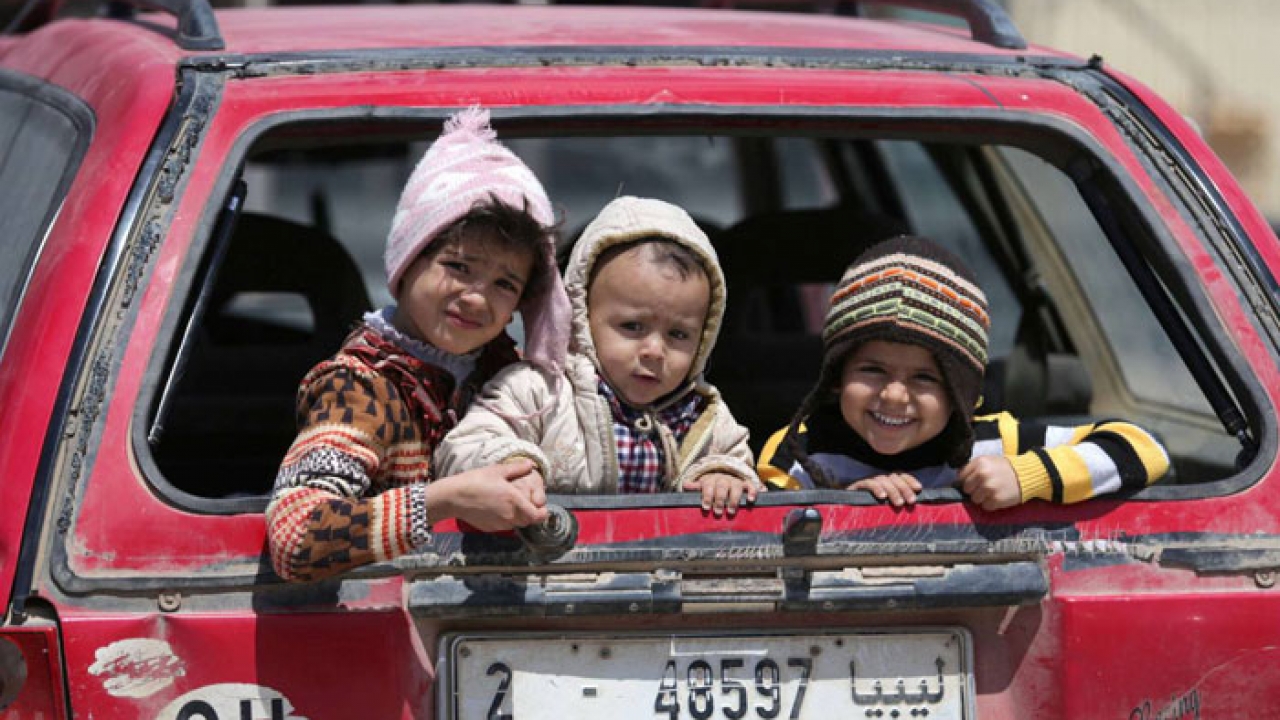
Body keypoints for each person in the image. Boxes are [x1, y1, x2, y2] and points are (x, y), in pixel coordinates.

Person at [265, 107, 571, 582]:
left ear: (520, 305)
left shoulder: (515, 379)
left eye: (505, 284)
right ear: (407, 263)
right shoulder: (361, 386)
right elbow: (296, 537)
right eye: (458, 267)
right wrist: (446, 499)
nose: (476, 298)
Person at [757, 234, 1170, 510]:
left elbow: (1145, 448)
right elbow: (765, 531)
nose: (894, 396)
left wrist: (1025, 476)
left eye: (924, 378)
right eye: (872, 370)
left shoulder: (996, 442)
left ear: (960, 390)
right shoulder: (799, 451)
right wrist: (849, 503)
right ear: (836, 376)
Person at [436, 196, 763, 515]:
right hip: (549, 551)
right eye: (632, 326)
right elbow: (464, 447)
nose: (654, 351)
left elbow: (738, 463)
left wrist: (724, 476)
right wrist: (513, 466)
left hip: (666, 552)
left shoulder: (704, 415)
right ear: (581, 318)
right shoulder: (538, 392)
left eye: (678, 334)